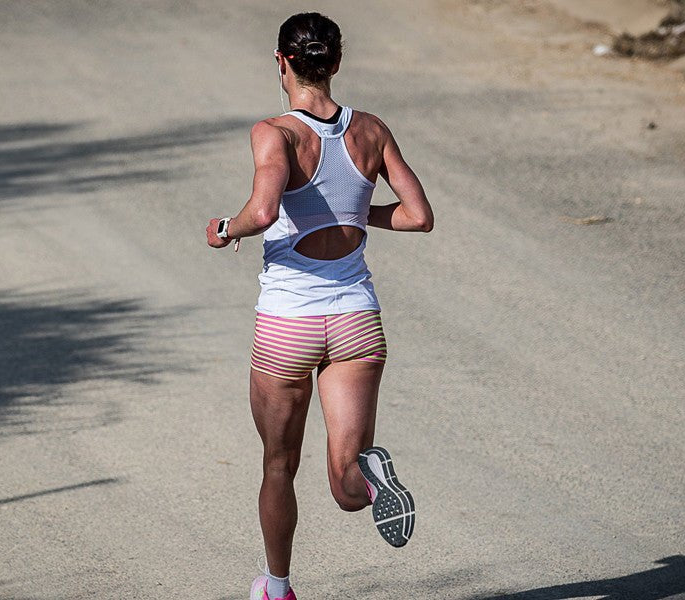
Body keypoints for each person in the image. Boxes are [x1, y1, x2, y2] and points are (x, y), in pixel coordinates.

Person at [205, 12, 433, 600]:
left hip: (288, 322)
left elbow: (261, 211)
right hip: (356, 320)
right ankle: (374, 484)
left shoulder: (274, 133)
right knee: (347, 481)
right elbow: (417, 215)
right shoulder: (372, 131)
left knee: (279, 465)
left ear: (281, 62)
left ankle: (277, 587)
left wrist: (226, 229)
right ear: (334, 64)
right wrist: (355, 213)